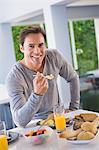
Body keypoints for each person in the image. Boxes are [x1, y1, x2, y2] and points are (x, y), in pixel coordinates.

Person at [6, 26, 80, 127]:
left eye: (40, 45)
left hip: (58, 118)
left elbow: (73, 77)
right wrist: (37, 94)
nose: (37, 51)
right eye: (31, 46)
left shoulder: (53, 57)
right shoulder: (14, 77)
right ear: (22, 48)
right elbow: (19, 121)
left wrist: (73, 108)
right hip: (34, 125)